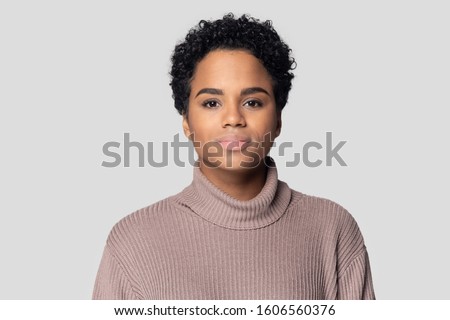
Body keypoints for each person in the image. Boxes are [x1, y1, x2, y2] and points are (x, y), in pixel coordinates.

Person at [92, 13, 375, 300]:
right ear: (187, 121)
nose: (233, 118)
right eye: (211, 102)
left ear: (277, 119)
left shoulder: (332, 229)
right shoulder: (131, 242)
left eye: (252, 102)